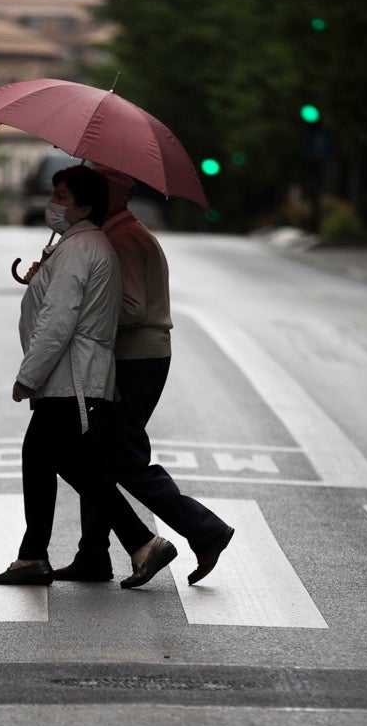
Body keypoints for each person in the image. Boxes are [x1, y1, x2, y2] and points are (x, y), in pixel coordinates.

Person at [0, 165, 178, 589]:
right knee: (46, 459)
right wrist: (44, 274)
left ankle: (142, 541)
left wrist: (28, 376)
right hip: (74, 377)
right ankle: (33, 555)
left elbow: (58, 321)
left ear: (85, 206)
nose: (52, 203)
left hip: (70, 379)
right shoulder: (79, 246)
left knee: (73, 465)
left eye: (61, 196)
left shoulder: (81, 249)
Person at [50, 164, 235, 587]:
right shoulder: (119, 234)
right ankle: (93, 555)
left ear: (109, 197)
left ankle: (205, 529)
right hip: (136, 358)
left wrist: (76, 313)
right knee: (98, 453)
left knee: (121, 458)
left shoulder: (123, 238)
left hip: (136, 359)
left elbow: (131, 308)